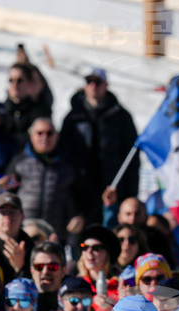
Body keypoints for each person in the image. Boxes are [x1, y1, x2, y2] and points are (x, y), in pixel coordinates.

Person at [59, 67, 139, 223]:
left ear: (106, 85)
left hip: (111, 188)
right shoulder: (73, 117)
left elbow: (132, 157)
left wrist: (130, 195)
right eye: (89, 81)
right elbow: (64, 153)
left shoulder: (121, 117)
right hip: (81, 190)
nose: (93, 85)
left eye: (97, 82)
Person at [6, 117, 79, 240]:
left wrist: (79, 215)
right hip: (24, 232)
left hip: (55, 235)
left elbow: (81, 195)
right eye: (40, 133)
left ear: (57, 136)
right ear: (31, 136)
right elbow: (7, 193)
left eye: (49, 133)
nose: (44, 137)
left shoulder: (68, 165)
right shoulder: (19, 162)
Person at [0, 191, 35, 282]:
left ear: (22, 217)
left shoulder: (32, 247)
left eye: (13, 212)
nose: (8, 217)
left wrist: (21, 269)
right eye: (3, 212)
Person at [4, 62, 53, 151]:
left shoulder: (39, 111)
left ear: (30, 83)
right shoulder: (0, 111)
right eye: (11, 80)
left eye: (20, 80)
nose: (15, 84)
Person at [29, 240, 66, 311]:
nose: (45, 271)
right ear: (32, 270)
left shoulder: (73, 302)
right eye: (39, 267)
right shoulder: (20, 301)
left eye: (53, 267)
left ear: (64, 270)